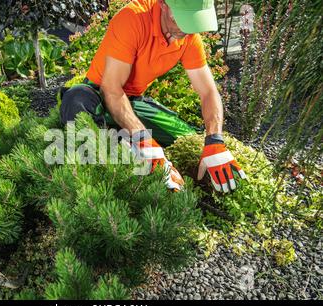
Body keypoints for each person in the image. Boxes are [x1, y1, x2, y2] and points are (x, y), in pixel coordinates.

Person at [59, 0, 246, 192]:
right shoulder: (132, 19)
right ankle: (110, 156)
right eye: (181, 19)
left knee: (187, 138)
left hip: (131, 101)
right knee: (76, 98)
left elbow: (208, 92)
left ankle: (124, 139)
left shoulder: (189, 37)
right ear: (163, 4)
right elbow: (111, 89)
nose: (186, 29)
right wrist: (144, 140)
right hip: (98, 93)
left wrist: (215, 139)